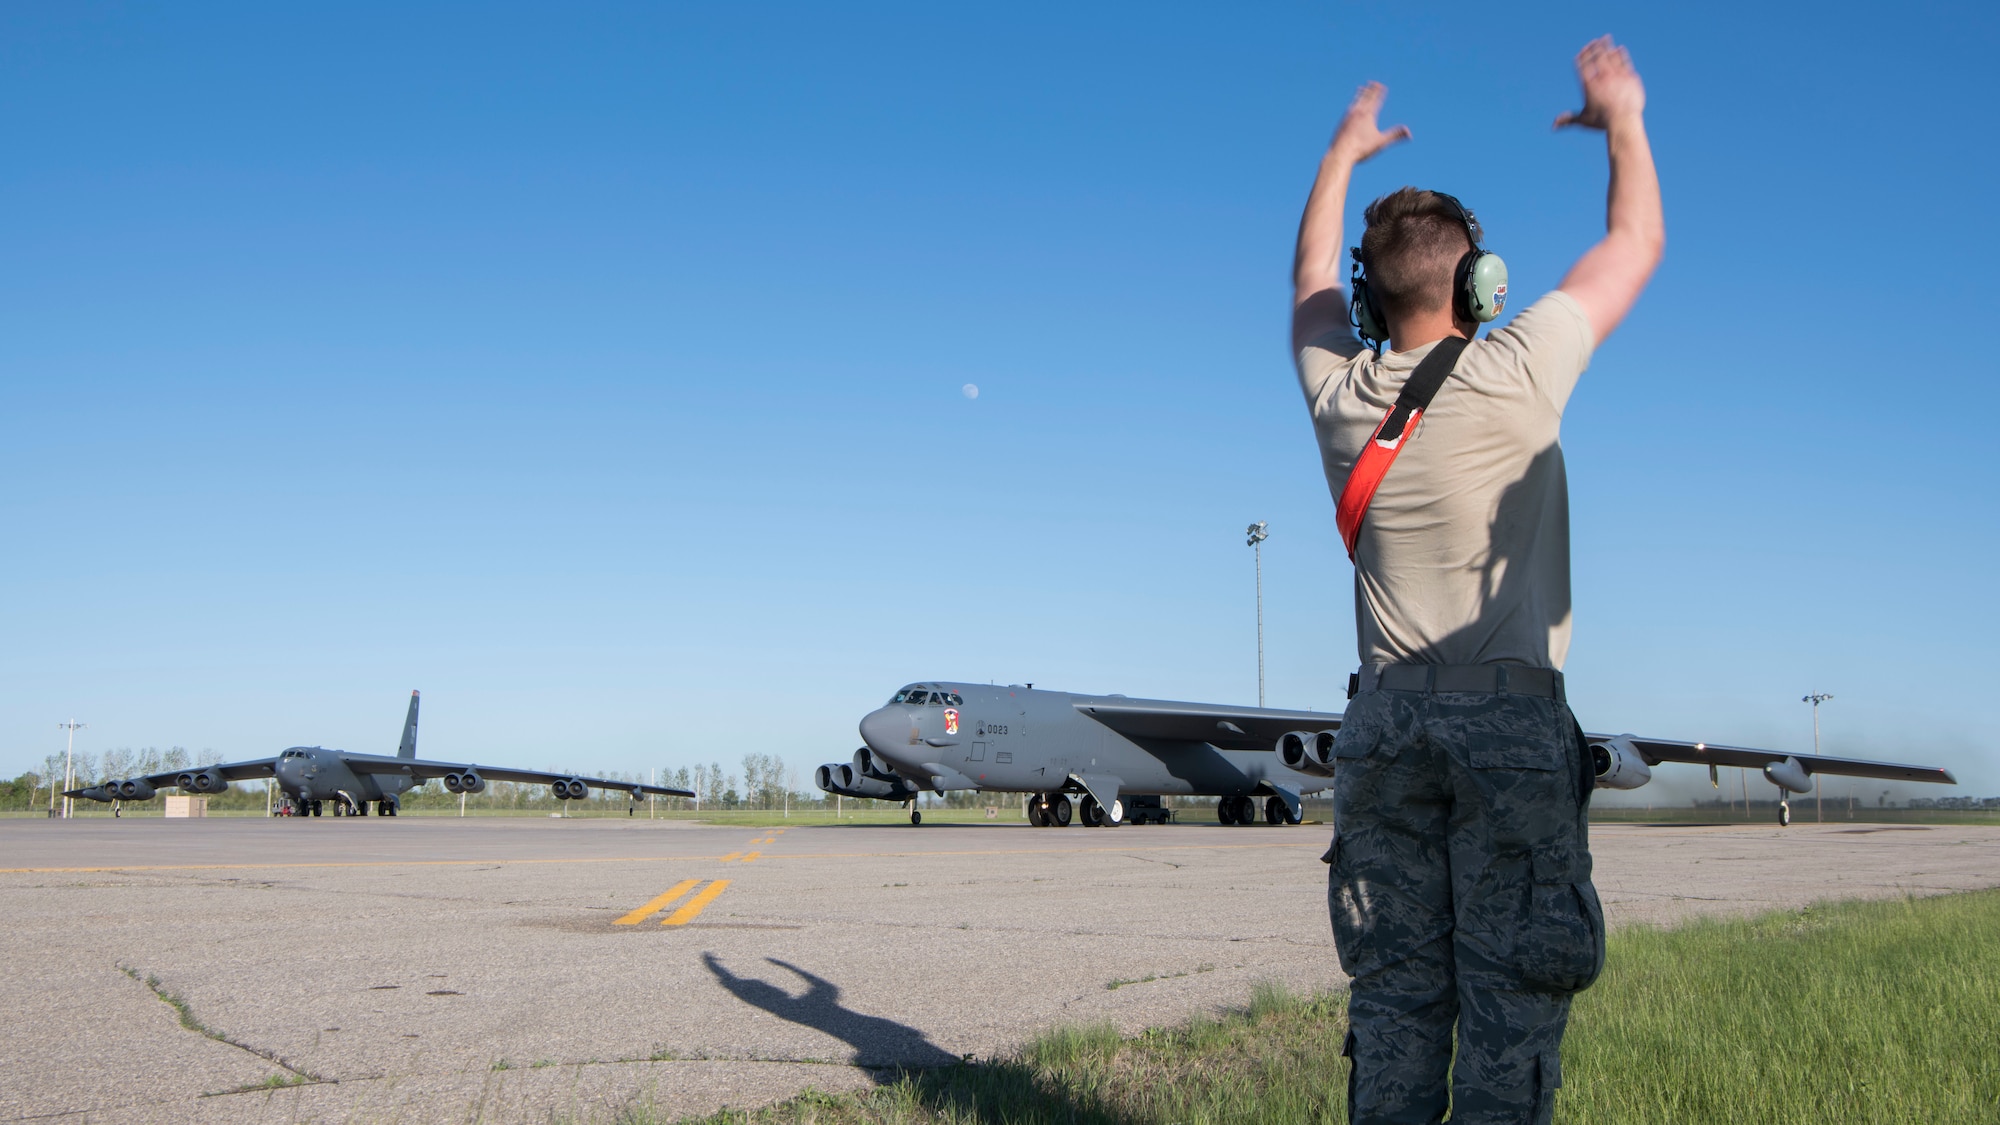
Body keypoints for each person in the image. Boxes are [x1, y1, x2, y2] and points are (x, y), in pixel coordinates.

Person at [1290, 37, 1663, 1125]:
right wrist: (1622, 118)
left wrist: (1339, 154)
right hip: (1507, 728)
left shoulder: (1336, 394)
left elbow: (1310, 278)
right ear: (1480, 283)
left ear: (1371, 292)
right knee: (1511, 1019)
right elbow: (1632, 238)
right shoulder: (1519, 365)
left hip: (1384, 733)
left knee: (1396, 1011)